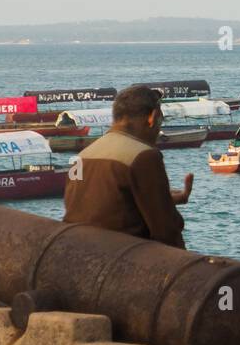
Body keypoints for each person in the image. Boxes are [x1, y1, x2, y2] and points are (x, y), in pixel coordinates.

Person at [63, 85, 192, 247]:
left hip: (79, 250)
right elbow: (166, 231)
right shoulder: (144, 156)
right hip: (122, 257)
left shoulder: (81, 157)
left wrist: (164, 199)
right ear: (153, 117)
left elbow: (103, 209)